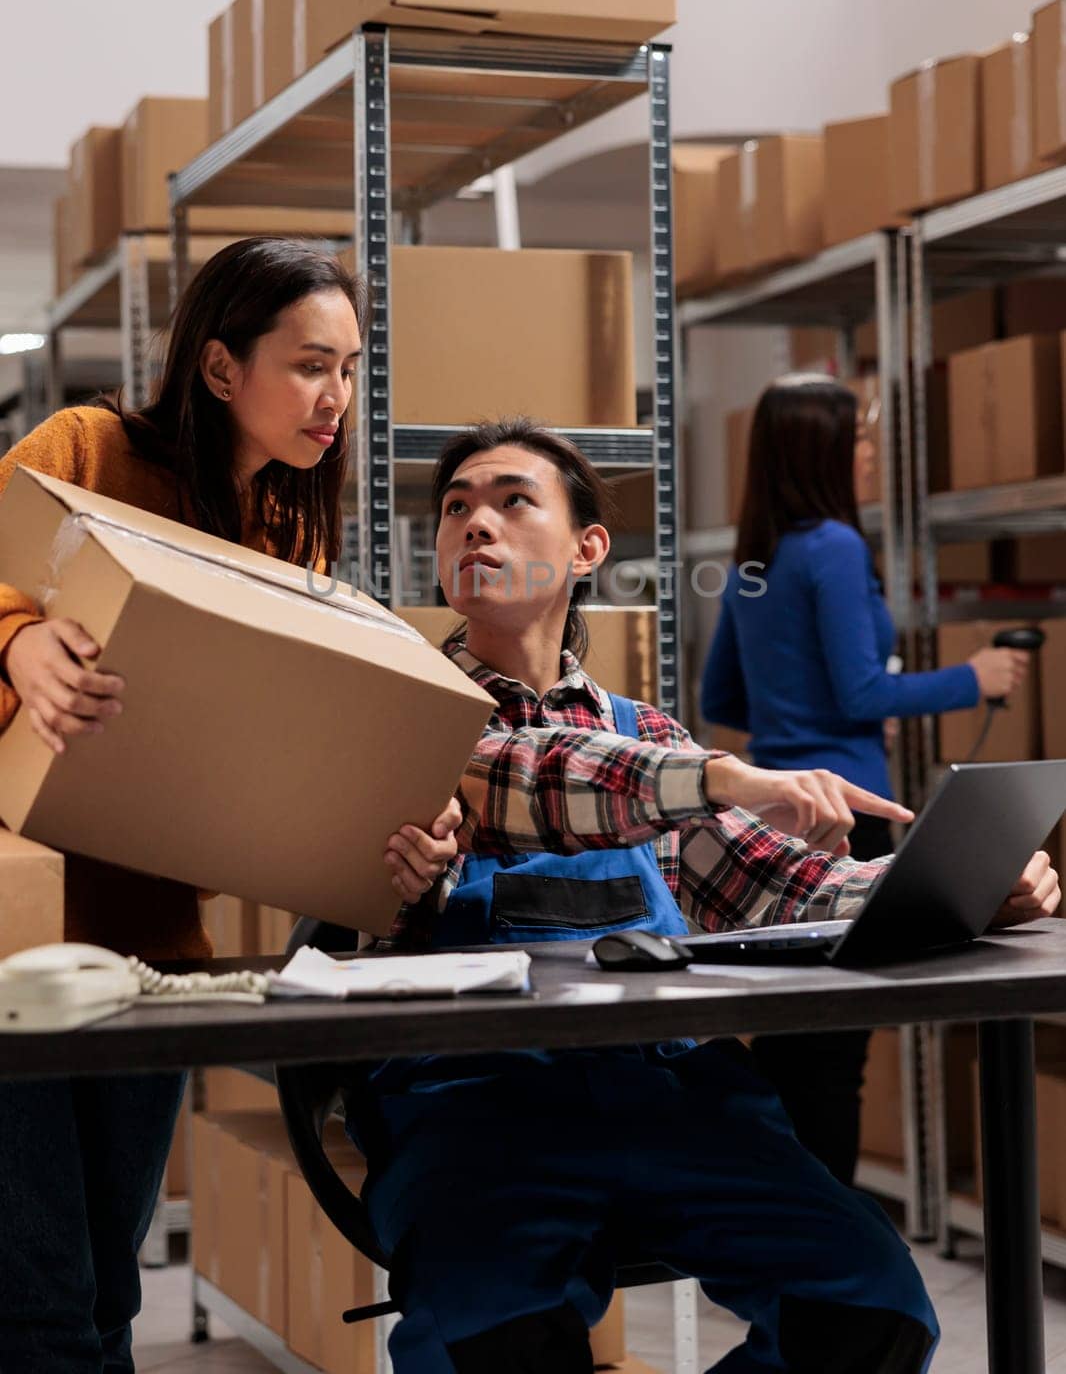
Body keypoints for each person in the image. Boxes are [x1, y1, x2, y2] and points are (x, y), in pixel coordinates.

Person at [352, 415, 1058, 1374]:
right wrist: (723, 773)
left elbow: (794, 884)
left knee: (869, 1311)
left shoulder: (645, 732)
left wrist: (965, 881)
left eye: (513, 501)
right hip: (483, 1108)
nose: (477, 524)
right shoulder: (409, 713)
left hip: (672, 1095)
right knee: (493, 1343)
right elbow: (539, 773)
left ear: (589, 548)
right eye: (455, 509)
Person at [0, 237, 459, 1374]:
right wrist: (19, 643)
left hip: (157, 952)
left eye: (349, 369)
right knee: (41, 1304)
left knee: (111, 1287)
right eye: (311, 365)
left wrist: (404, 812)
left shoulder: (290, 535)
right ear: (218, 366)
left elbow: (285, 751)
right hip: (15, 941)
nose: (336, 399)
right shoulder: (88, 451)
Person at [699, 373, 1031, 1184]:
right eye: (860, 439)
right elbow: (863, 692)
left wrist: (798, 707)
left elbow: (721, 698)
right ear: (820, 449)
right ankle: (832, 1242)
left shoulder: (753, 559)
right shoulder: (836, 548)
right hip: (847, 817)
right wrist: (974, 676)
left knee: (787, 1048)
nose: (873, 453)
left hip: (771, 823)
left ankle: (791, 1232)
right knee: (834, 1059)